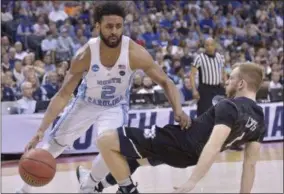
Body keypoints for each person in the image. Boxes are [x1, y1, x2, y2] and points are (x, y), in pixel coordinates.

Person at [16, 3, 190, 193]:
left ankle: (88, 186)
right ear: (98, 26)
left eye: (118, 26)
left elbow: (166, 81)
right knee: (55, 146)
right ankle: (25, 189)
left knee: (111, 147)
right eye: (109, 26)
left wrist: (178, 110)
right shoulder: (85, 55)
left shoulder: (135, 53)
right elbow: (63, 94)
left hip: (115, 106)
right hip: (85, 103)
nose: (114, 31)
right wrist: (41, 130)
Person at [95, 62, 266, 193]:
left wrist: (192, 181)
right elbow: (250, 165)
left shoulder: (229, 106)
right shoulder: (260, 120)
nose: (227, 82)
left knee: (106, 139)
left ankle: (127, 190)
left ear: (241, 84)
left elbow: (213, 146)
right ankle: (95, 185)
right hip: (189, 157)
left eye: (231, 78)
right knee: (136, 159)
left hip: (178, 142)